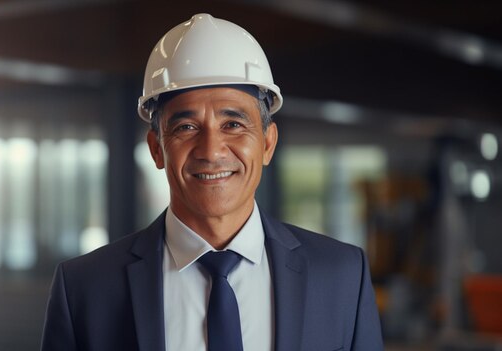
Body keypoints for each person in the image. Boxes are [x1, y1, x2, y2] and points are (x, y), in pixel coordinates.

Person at [41, 13, 383, 351]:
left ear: (267, 143)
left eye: (233, 124)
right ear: (157, 149)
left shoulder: (342, 276)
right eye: (186, 127)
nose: (211, 150)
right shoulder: (85, 289)